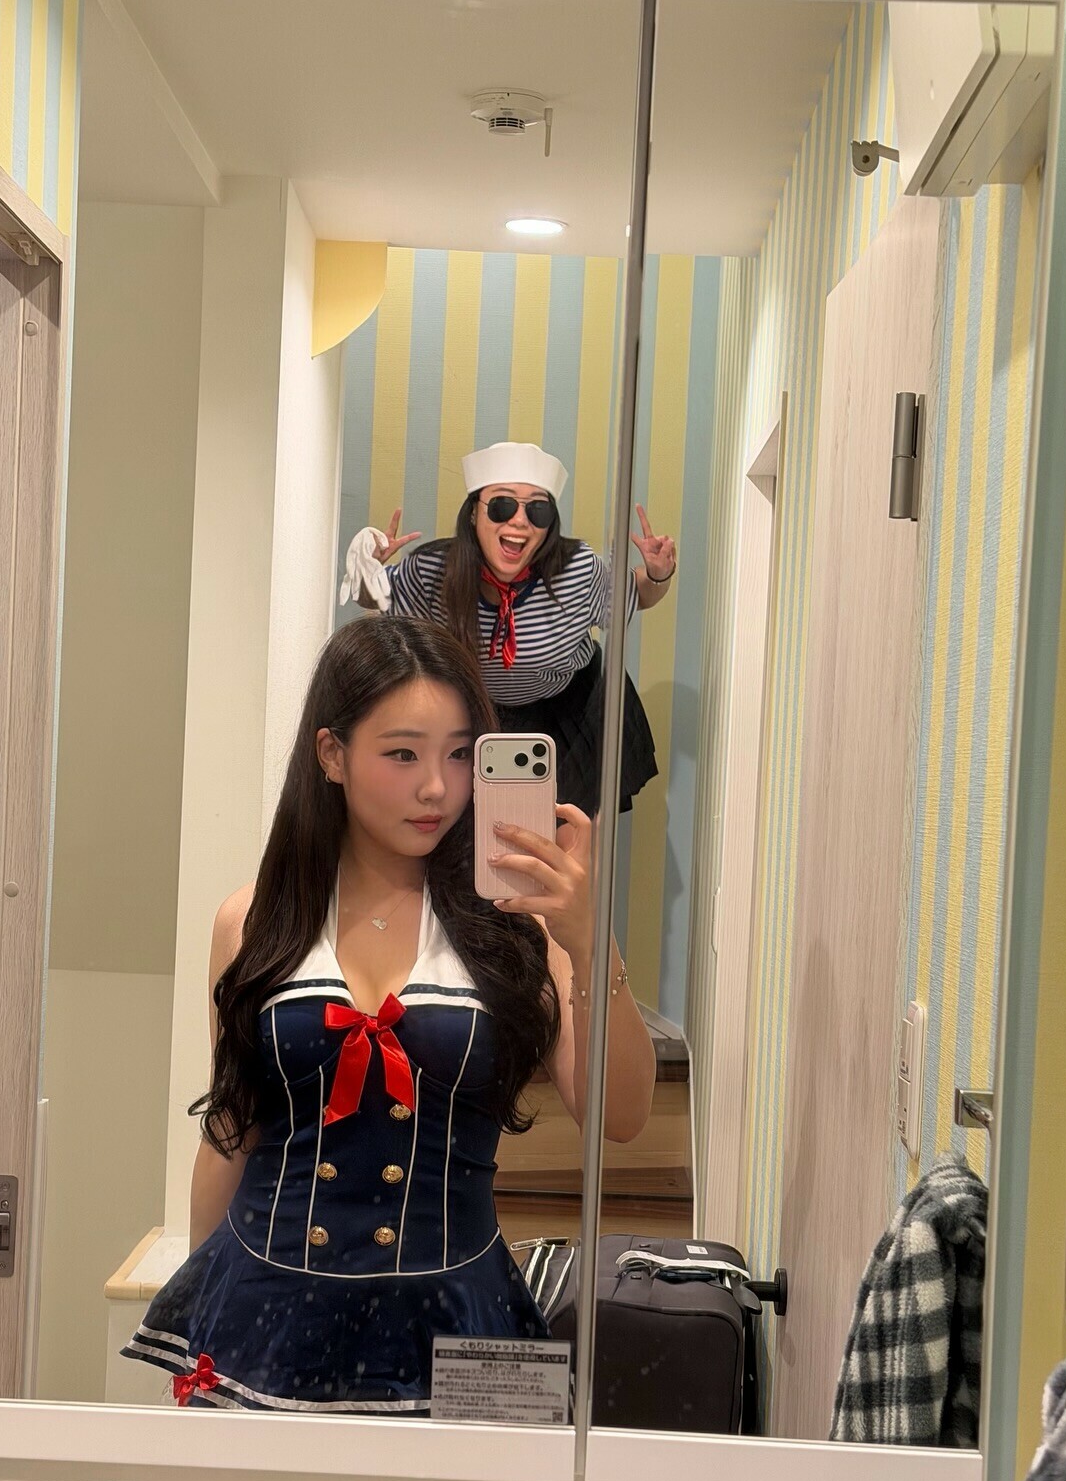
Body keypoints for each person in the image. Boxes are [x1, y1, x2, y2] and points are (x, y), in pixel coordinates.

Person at [123, 615, 657, 1413]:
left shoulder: (522, 926)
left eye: (459, 754)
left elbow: (620, 1115)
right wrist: (197, 1318)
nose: (437, 787)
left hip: (455, 1320)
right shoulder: (253, 920)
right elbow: (233, 1130)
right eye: (403, 754)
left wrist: (591, 942)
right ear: (332, 754)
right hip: (261, 1314)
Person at [339, 440, 676, 815]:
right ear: (474, 513)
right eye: (502, 506)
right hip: (471, 712)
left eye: (538, 510)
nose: (519, 521)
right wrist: (367, 567)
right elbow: (378, 596)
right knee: (470, 827)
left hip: (569, 712)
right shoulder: (433, 570)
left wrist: (658, 575)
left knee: (564, 830)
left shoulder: (576, 568)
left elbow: (634, 596)